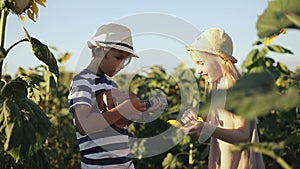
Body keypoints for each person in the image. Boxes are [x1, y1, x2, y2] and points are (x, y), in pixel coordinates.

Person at [68, 23, 161, 169]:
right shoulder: (82, 81)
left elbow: (117, 125)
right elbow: (83, 125)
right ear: (98, 51)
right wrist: (124, 109)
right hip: (99, 165)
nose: (122, 65)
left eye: (126, 60)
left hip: (124, 163)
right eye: (118, 58)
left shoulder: (112, 85)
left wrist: (136, 110)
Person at [180, 28, 265, 169]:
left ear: (222, 59)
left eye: (201, 63)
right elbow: (210, 121)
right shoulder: (214, 87)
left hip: (241, 162)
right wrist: (196, 121)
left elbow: (243, 135)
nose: (198, 70)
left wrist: (207, 128)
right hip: (223, 158)